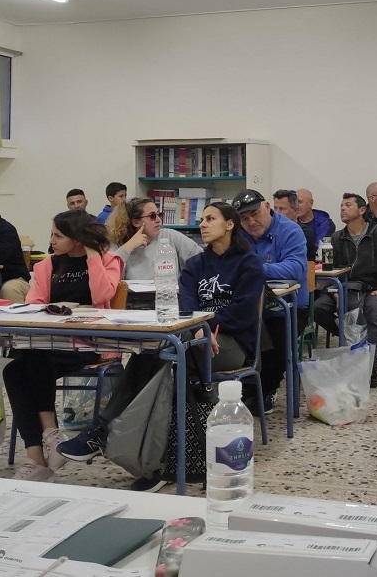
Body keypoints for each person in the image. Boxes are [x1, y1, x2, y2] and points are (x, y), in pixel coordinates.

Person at [58, 202, 265, 492]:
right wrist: (197, 327)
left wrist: (203, 326)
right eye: (202, 218)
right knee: (160, 357)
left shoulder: (249, 263)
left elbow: (242, 314)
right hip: (195, 340)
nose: (202, 224)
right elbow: (186, 305)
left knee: (163, 355)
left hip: (231, 345)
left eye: (210, 218)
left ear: (229, 224)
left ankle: (105, 432)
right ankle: (155, 459)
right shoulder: (196, 264)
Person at [2, 210, 123, 482]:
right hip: (50, 343)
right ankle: (44, 447)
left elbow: (103, 294)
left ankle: (43, 449)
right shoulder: (48, 265)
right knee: (16, 368)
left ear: (77, 239)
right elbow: (33, 305)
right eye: (52, 234)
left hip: (88, 344)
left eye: (58, 235)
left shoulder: (108, 260)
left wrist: (93, 255)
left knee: (29, 361)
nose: (51, 241)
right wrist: (58, 309)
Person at [314, 193, 377, 388]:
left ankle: (372, 370)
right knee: (318, 309)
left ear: (362, 210)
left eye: (348, 205)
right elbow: (331, 271)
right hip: (344, 288)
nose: (342, 208)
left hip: (373, 289)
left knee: (375, 313)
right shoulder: (337, 238)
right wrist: (335, 293)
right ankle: (353, 337)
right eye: (341, 205)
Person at [233, 189, 309, 415]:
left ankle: (266, 390)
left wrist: (253, 269)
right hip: (249, 306)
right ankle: (241, 389)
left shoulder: (290, 230)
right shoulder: (238, 233)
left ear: (267, 207)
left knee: (276, 336)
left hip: (289, 307)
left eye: (255, 214)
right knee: (229, 332)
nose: (251, 222)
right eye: (244, 218)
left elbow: (295, 269)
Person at [273, 189, 316, 259]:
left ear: (296, 210)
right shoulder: (270, 231)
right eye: (275, 208)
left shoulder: (304, 232)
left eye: (282, 209)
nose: (277, 213)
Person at [295, 188, 335, 255]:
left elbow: (320, 248)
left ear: (311, 203)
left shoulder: (325, 224)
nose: (296, 206)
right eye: (294, 202)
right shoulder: (290, 223)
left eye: (299, 202)